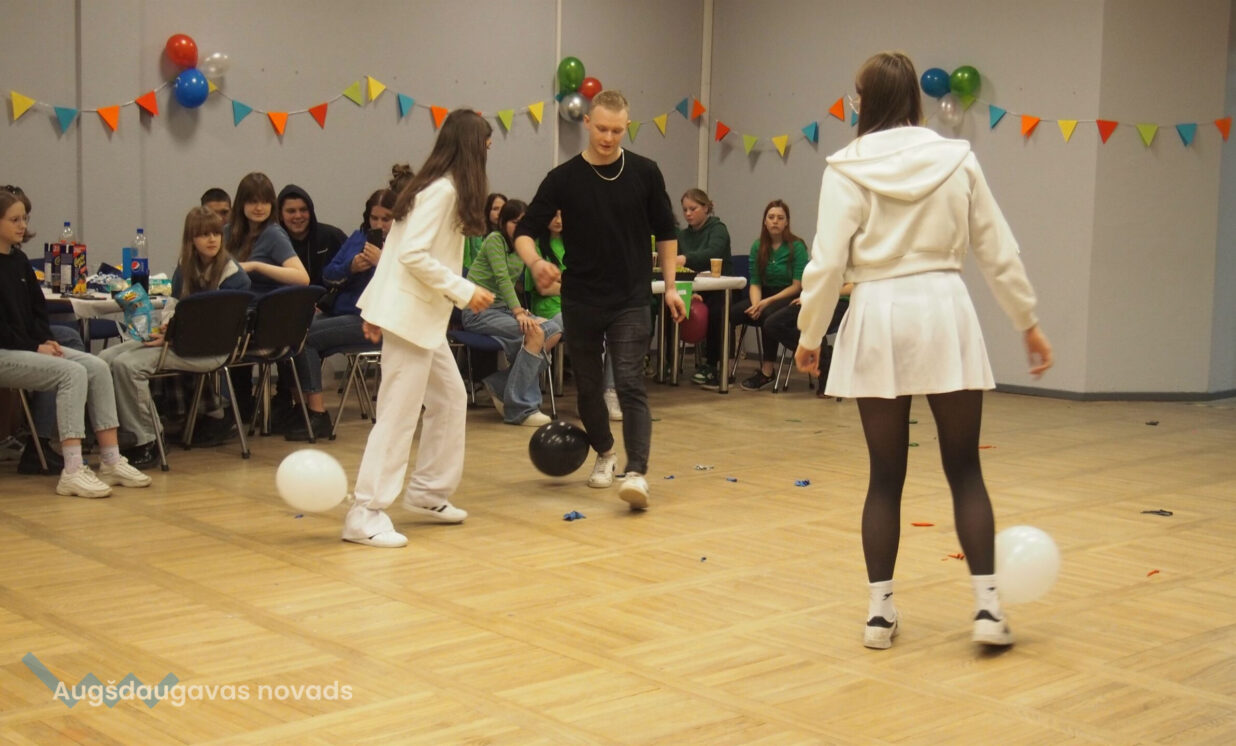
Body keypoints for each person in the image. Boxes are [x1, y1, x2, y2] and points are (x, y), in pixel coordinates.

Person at [794, 51, 1054, 650]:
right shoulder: (957, 157)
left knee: (885, 476)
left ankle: (879, 616)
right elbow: (997, 249)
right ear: (913, 98)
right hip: (943, 308)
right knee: (965, 467)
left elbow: (827, 263)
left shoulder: (845, 168)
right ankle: (988, 609)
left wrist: (810, 335)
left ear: (866, 101)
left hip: (877, 313)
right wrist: (1028, 322)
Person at [514, 89, 684, 511]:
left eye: (617, 131)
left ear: (627, 127)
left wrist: (671, 286)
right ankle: (605, 452)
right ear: (587, 122)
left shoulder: (646, 172)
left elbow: (666, 232)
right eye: (602, 128)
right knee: (588, 387)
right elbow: (525, 230)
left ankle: (637, 471)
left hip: (631, 297)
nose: (608, 138)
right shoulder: (563, 178)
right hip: (582, 299)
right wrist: (536, 262)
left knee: (629, 382)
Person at [342, 109, 495, 549]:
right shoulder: (442, 191)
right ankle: (365, 513)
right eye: (486, 145)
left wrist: (375, 308)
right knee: (398, 414)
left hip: (418, 319)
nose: (488, 153)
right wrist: (464, 290)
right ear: (472, 147)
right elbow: (411, 254)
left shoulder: (433, 188)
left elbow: (395, 252)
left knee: (449, 398)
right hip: (411, 319)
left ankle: (428, 490)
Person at [0, 186, 151, 497]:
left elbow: (37, 311)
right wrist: (35, 347)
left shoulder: (19, 260)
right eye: (14, 219)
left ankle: (111, 459)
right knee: (72, 373)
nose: (22, 225)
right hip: (6, 351)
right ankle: (71, 468)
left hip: (25, 346)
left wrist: (44, 338)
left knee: (96, 367)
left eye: (25, 218)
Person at [100, 207, 253, 465]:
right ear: (191, 239)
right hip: (181, 341)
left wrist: (172, 336)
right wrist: (165, 328)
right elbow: (173, 306)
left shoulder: (234, 276)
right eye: (204, 234)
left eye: (216, 233)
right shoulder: (185, 266)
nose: (212, 239)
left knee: (128, 366)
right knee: (104, 359)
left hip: (211, 348)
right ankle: (116, 434)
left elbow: (220, 328)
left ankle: (148, 439)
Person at [285, 188, 395, 441]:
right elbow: (329, 274)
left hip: (373, 320)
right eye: (374, 218)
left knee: (304, 336)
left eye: (385, 219)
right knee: (292, 328)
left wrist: (382, 262)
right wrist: (351, 266)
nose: (379, 225)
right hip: (341, 312)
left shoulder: (403, 246)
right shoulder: (358, 237)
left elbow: (406, 285)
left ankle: (317, 413)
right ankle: (300, 407)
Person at [463, 199, 560, 427]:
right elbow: (503, 279)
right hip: (478, 310)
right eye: (514, 222)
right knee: (536, 333)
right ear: (503, 222)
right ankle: (520, 409)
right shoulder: (494, 240)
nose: (519, 227)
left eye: (523, 222)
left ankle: (501, 383)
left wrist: (520, 310)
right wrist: (519, 313)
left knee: (553, 330)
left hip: (504, 310)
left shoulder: (525, 245)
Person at [732, 200, 809, 391]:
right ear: (765, 221)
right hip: (763, 293)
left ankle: (767, 371)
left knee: (769, 315)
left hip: (787, 294)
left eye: (780, 218)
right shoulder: (758, 246)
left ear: (787, 222)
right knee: (731, 312)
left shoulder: (797, 246)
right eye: (771, 217)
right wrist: (756, 304)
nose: (775, 221)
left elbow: (797, 285)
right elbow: (755, 282)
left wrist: (766, 303)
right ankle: (723, 365)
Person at [676, 189, 732, 388]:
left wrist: (686, 258)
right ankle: (668, 361)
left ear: (706, 207)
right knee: (671, 306)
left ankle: (712, 364)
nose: (688, 214)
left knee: (716, 312)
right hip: (693, 288)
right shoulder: (682, 236)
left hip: (720, 289)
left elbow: (713, 252)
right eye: (685, 210)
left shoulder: (718, 230)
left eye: (693, 209)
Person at [225, 172, 309, 295]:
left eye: (265, 202)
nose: (259, 208)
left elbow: (302, 278)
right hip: (233, 299)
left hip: (263, 303)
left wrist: (255, 266)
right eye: (253, 202)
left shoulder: (273, 234)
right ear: (241, 203)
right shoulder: (227, 231)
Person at [762, 283, 853, 396]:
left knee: (814, 326)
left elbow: (853, 286)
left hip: (841, 303)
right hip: (814, 300)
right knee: (771, 324)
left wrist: (818, 295)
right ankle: (823, 356)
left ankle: (824, 372)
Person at [277, 184, 347, 288]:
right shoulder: (273, 243)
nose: (298, 216)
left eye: (303, 210)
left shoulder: (332, 236)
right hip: (287, 297)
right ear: (280, 215)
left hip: (331, 297)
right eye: (291, 211)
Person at [464, 192, 506, 271]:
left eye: (503, 209)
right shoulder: (478, 231)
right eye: (495, 209)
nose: (500, 213)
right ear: (487, 210)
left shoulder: (510, 234)